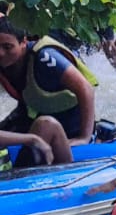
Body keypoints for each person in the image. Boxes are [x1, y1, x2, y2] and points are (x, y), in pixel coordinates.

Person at [0, 19, 97, 147]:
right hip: (34, 115)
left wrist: (84, 138)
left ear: (23, 42)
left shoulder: (44, 57)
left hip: (72, 122)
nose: (1, 53)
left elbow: (85, 89)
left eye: (7, 47)